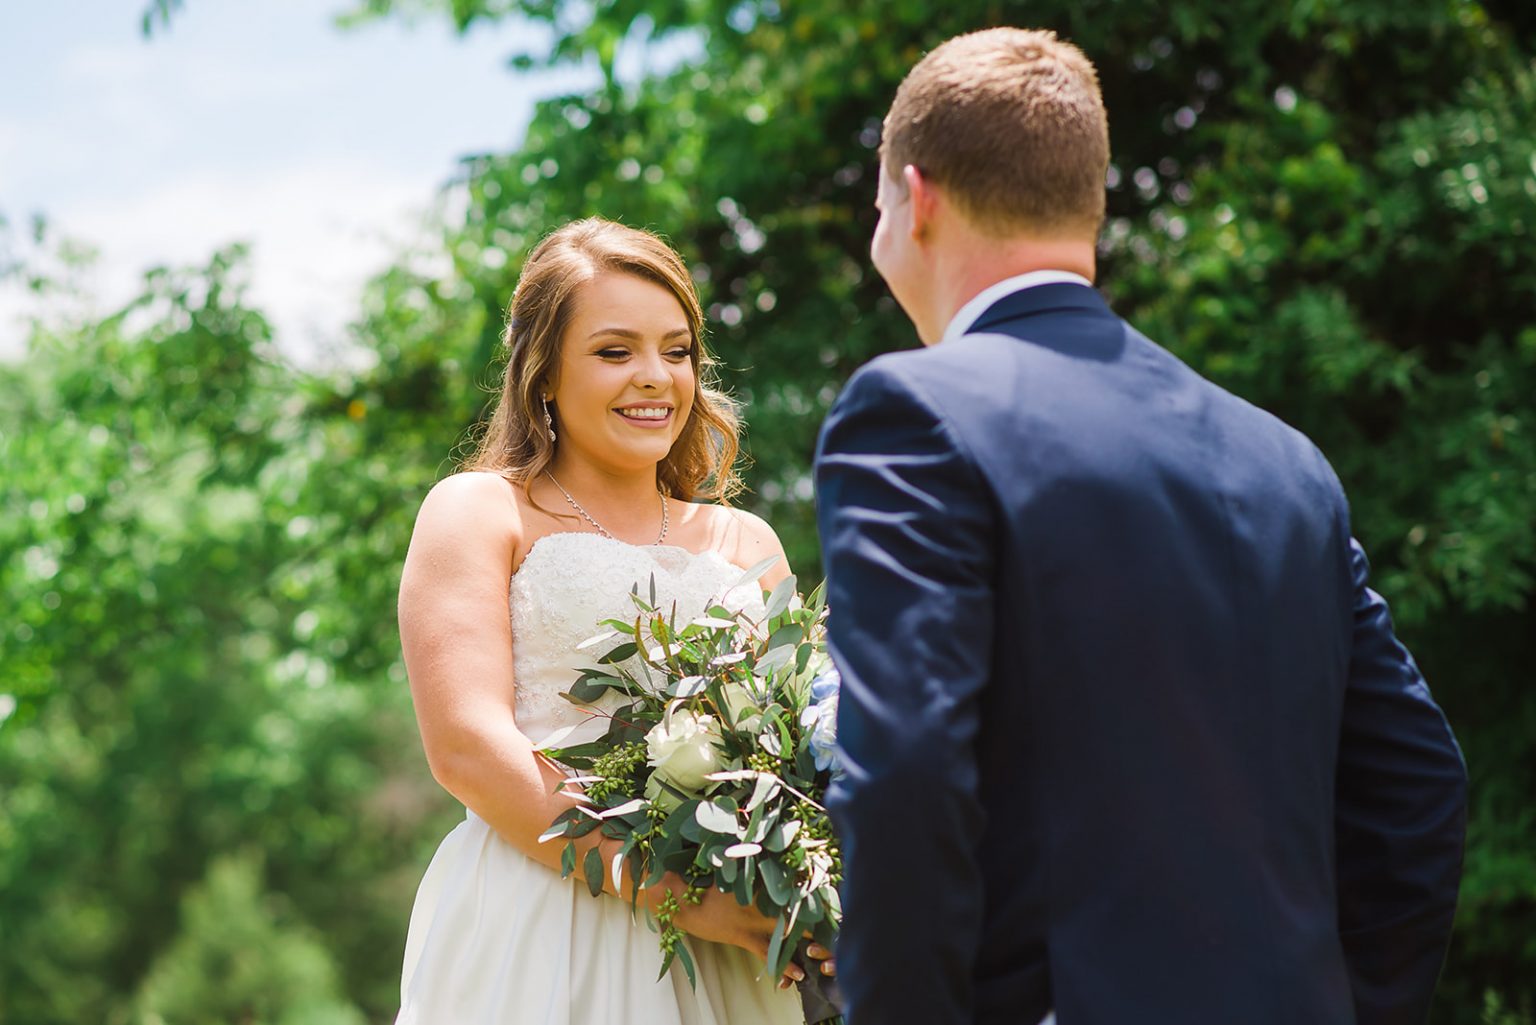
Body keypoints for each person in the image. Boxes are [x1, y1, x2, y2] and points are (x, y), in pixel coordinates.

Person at [814, 27, 1467, 1025]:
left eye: (877, 211)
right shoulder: (1283, 459)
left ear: (920, 198)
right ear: (1091, 203)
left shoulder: (914, 412)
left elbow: (906, 775)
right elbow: (1419, 784)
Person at [395, 218, 810, 1024]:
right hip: (542, 919)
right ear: (543, 372)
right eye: (615, 351)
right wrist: (680, 897)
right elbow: (467, 749)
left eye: (677, 350)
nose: (655, 376)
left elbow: (796, 751)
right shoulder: (481, 511)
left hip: (730, 948)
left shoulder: (746, 541)